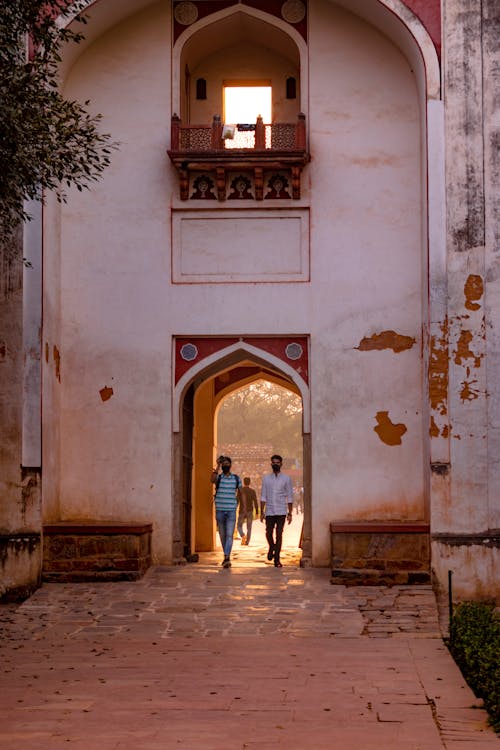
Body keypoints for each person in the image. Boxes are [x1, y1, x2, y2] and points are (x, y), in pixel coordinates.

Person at [260, 454, 293, 567]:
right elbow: (263, 496)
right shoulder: (266, 479)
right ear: (271, 464)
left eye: (277, 463)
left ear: (281, 464)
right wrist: (261, 512)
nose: (275, 464)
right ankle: (272, 547)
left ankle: (277, 559)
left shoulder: (286, 479)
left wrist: (290, 513)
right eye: (273, 463)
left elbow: (289, 496)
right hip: (269, 510)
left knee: (279, 534)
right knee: (268, 533)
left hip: (281, 511)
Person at [211, 455, 242, 568]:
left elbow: (241, 492)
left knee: (229, 535)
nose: (225, 466)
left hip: (231, 511)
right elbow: (212, 480)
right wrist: (217, 465)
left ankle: (227, 557)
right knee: (223, 535)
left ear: (230, 465)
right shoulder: (219, 478)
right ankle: (226, 555)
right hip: (220, 509)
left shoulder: (236, 478)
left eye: (227, 464)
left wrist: (241, 505)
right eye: (223, 464)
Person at [237, 477, 259, 545]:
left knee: (239, 526)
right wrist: (257, 512)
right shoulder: (252, 491)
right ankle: (247, 542)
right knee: (249, 527)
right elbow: (255, 501)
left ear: (244, 482)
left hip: (242, 511)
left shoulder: (240, 491)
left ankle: (243, 535)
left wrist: (234, 507)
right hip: (249, 511)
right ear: (249, 483)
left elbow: (237, 500)